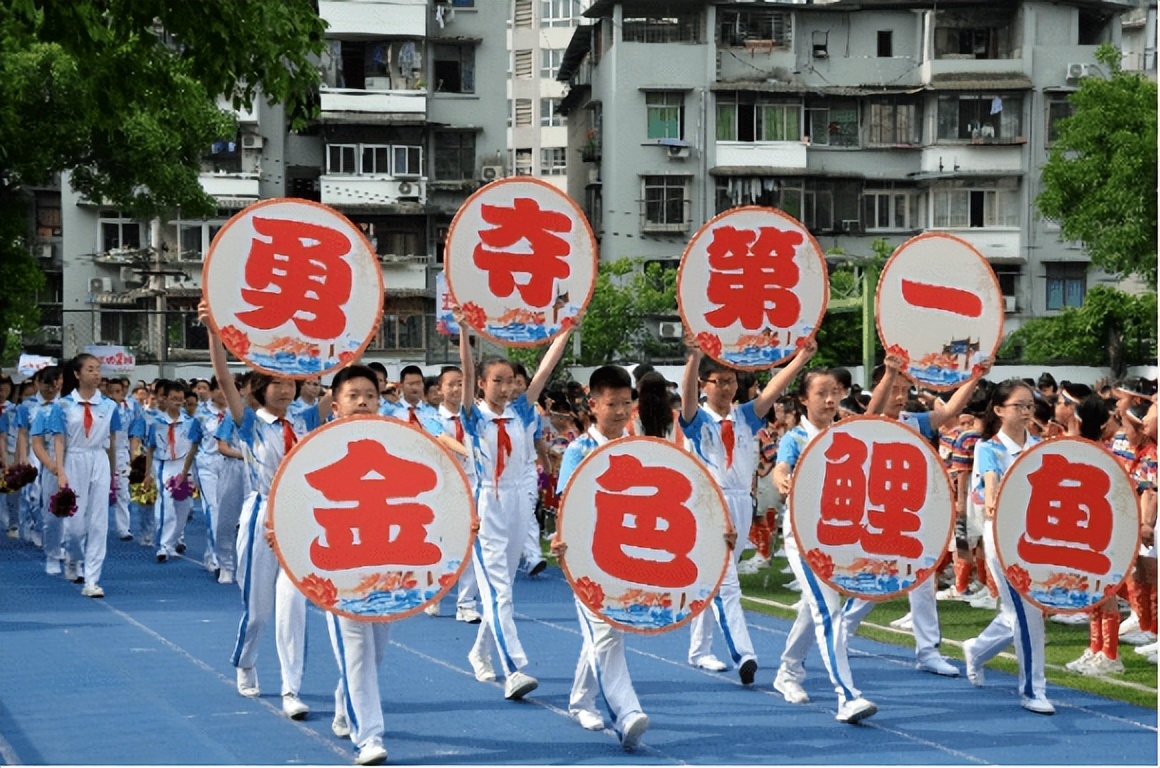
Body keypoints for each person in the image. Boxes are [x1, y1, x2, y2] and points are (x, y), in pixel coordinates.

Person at [204, 300, 323, 720]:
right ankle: (246, 660)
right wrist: (215, 333)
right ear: (259, 388)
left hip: (299, 520)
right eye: (277, 383)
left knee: (294, 608)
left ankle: (292, 688)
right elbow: (222, 376)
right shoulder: (250, 422)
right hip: (260, 515)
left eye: (292, 382)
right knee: (257, 611)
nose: (287, 389)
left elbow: (342, 382)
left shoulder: (308, 420)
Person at [841, 353, 991, 678]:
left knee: (921, 578)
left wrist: (974, 377)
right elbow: (871, 412)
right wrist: (890, 372)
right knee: (879, 576)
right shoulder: (869, 422)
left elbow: (950, 412)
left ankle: (927, 651)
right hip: (876, 513)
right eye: (894, 387)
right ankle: (842, 629)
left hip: (912, 510)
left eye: (905, 389)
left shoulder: (915, 421)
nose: (900, 395)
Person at [680, 337, 817, 684]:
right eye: (718, 382)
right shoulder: (695, 419)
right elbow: (686, 397)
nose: (725, 388)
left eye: (730, 382)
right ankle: (745, 654)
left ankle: (698, 650)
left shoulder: (744, 417)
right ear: (704, 385)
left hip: (743, 500)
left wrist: (800, 358)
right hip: (710, 503)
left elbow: (773, 388)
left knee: (717, 575)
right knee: (726, 582)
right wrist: (694, 357)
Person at [455, 306, 574, 701]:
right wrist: (465, 333)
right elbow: (467, 371)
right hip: (486, 503)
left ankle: (478, 652)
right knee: (498, 592)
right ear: (483, 386)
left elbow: (545, 369)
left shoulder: (522, 412)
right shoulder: (474, 416)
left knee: (502, 588)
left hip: (517, 505)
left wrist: (564, 331)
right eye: (497, 382)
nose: (506, 388)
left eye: (510, 382)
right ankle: (513, 669)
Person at [551, 364, 649, 750]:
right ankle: (627, 713)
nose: (622, 412)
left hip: (628, 552)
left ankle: (580, 699)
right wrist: (562, 544)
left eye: (627, 404)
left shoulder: (636, 447)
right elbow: (566, 503)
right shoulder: (579, 450)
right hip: (588, 554)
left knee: (611, 628)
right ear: (593, 405)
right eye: (613, 404)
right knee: (606, 630)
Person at [771, 368, 877, 724]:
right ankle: (847, 695)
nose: (830, 400)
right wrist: (783, 479)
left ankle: (787, 671)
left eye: (835, 393)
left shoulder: (844, 433)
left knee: (813, 605)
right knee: (828, 608)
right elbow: (780, 467)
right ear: (803, 399)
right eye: (821, 393)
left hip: (839, 534)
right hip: (803, 535)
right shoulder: (796, 437)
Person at [962, 379, 1054, 715]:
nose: (1027, 411)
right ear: (999, 410)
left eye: (1030, 405)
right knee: (1028, 613)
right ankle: (1033, 690)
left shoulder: (1040, 447)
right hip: (1003, 536)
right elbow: (990, 481)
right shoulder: (989, 448)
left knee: (1019, 612)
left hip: (1037, 536)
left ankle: (976, 649)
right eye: (1020, 406)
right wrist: (991, 500)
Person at [323, 364, 399, 766]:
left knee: (375, 652)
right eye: (353, 395)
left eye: (370, 394)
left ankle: (343, 702)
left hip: (387, 563)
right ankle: (369, 736)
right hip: (340, 567)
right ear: (336, 406)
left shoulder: (398, 445)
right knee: (355, 646)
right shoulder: (316, 450)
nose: (363, 401)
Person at [31, 354, 120, 597]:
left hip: (98, 459)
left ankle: (92, 579)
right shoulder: (62, 406)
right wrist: (60, 472)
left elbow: (112, 441)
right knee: (74, 526)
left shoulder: (110, 406)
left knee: (98, 523)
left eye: (98, 369)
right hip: (73, 459)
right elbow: (59, 440)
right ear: (78, 374)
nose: (96, 373)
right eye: (90, 369)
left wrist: (113, 474)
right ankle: (72, 557)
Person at [431, 365, 482, 624]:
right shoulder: (432, 417)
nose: (456, 389)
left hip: (474, 484)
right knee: (445, 543)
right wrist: (466, 450)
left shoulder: (474, 416)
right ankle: (436, 590)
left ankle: (466, 603)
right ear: (440, 390)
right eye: (451, 384)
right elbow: (441, 438)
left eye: (461, 383)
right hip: (445, 487)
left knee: (473, 543)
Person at [141, 379, 200, 562]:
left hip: (184, 464)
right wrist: (148, 473)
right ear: (165, 400)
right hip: (165, 465)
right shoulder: (156, 422)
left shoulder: (191, 422)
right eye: (173, 398)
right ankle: (164, 546)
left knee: (184, 507)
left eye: (180, 399)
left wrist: (187, 471)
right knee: (166, 503)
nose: (177, 402)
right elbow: (150, 448)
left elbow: (194, 447)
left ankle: (175, 538)